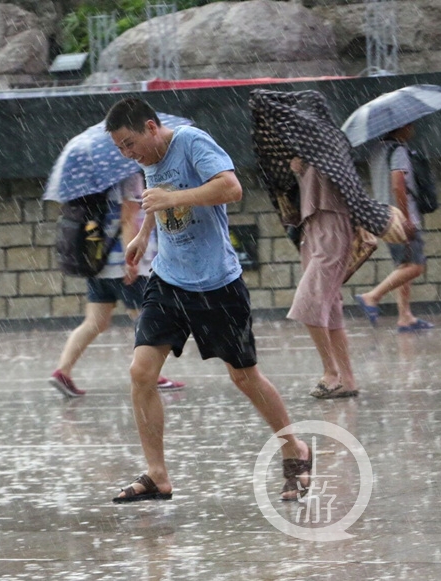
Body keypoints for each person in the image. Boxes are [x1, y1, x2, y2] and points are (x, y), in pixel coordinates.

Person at [104, 97, 311, 503]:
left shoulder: (192, 141)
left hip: (217, 283)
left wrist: (174, 199)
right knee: (141, 372)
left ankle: (295, 448)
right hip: (168, 280)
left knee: (244, 377)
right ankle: (157, 474)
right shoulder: (149, 160)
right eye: (120, 149)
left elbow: (231, 188)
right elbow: (156, 200)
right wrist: (144, 236)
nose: (129, 154)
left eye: (129, 144)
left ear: (150, 127)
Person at [49, 173, 185, 397]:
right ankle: (151, 375)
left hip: (97, 262)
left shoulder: (91, 179)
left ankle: (62, 371)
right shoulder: (129, 176)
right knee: (146, 320)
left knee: (95, 322)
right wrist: (131, 262)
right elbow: (128, 218)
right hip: (124, 263)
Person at [288, 157, 359, 399]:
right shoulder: (302, 149)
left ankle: (331, 372)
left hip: (332, 219)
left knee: (309, 300)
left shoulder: (324, 146)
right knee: (330, 305)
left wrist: (368, 219)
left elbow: (350, 185)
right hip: (312, 224)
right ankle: (347, 379)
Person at [354, 123, 434, 332]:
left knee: (404, 266)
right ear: (402, 127)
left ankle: (405, 316)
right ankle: (372, 296)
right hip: (400, 218)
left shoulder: (377, 150)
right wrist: (406, 219)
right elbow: (398, 184)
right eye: (409, 125)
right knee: (415, 267)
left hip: (384, 217)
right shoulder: (397, 150)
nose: (412, 129)